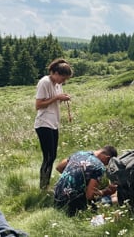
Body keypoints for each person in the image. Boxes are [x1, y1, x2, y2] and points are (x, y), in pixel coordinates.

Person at [34, 58, 73, 190]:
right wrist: (57, 97)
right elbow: (38, 105)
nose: (64, 81)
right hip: (43, 123)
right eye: (63, 78)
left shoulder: (57, 84)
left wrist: (62, 98)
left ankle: (45, 184)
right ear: (55, 73)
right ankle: (43, 186)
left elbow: (54, 100)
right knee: (48, 156)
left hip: (53, 123)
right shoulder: (44, 82)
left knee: (53, 155)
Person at [54, 145, 118, 216]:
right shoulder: (99, 167)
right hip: (71, 205)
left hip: (57, 198)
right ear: (106, 158)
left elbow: (59, 167)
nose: (105, 165)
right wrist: (105, 192)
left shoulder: (80, 153)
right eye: (107, 163)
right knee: (113, 199)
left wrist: (72, 178)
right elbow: (90, 196)